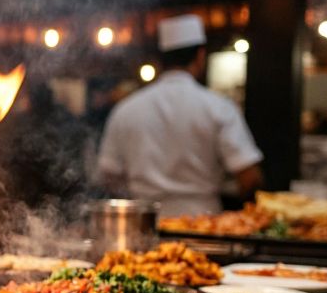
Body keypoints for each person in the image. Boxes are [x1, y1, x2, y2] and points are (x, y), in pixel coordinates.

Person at [96, 15, 263, 217]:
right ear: (200, 56)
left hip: (142, 224)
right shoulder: (218, 107)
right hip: (203, 223)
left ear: (161, 59)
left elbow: (108, 176)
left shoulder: (126, 109)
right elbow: (249, 177)